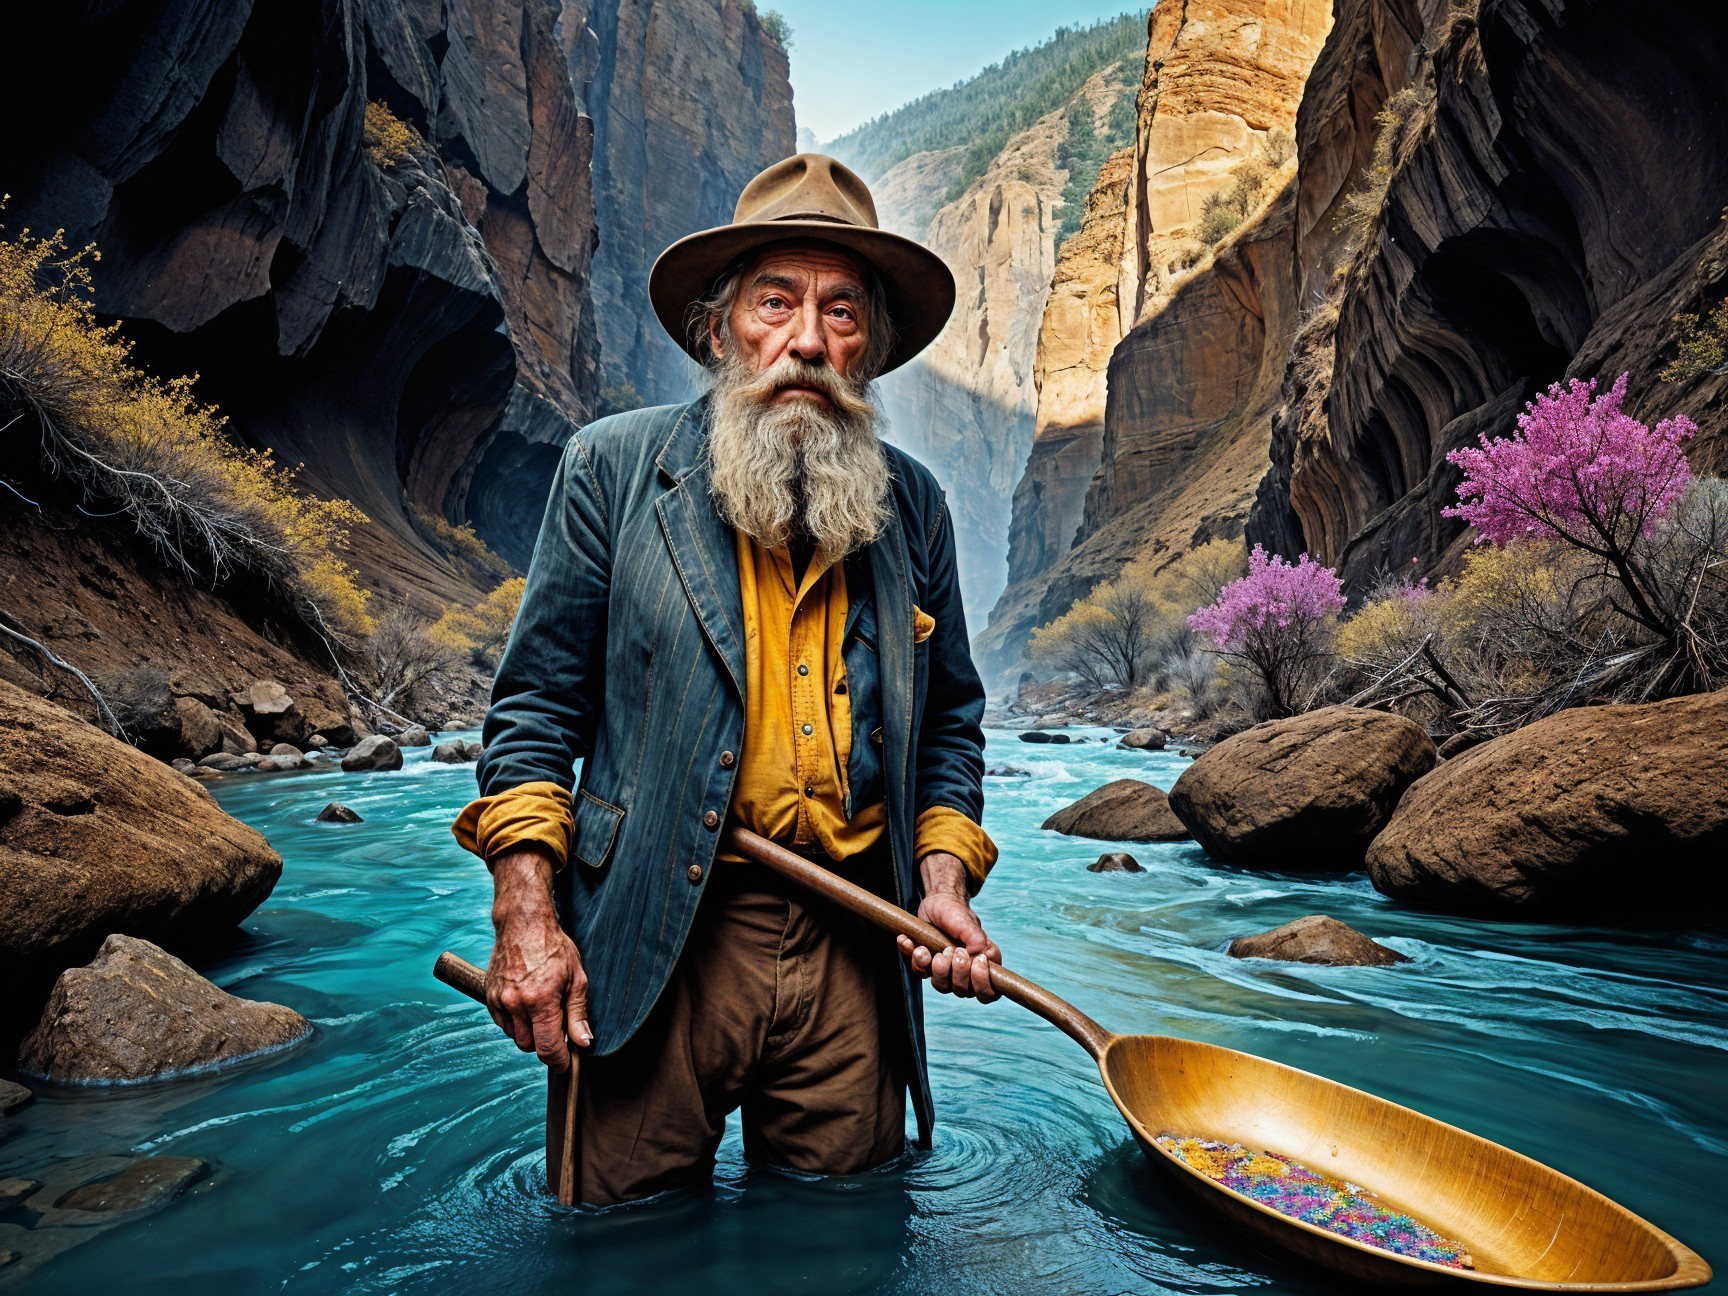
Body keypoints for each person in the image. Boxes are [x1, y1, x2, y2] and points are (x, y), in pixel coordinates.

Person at [452, 153, 1000, 1207]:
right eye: (775, 302)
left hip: (856, 948)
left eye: (842, 313)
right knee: (621, 1254)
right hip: (654, 937)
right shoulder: (611, 472)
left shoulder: (914, 507)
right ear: (721, 331)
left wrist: (942, 883)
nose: (806, 340)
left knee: (840, 1250)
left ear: (870, 350)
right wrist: (527, 919)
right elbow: (531, 713)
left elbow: (952, 725)